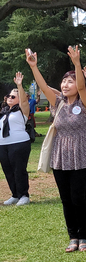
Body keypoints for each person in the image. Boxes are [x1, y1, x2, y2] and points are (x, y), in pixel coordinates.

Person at [26, 46, 86, 252]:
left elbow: (82, 88)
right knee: (65, 199)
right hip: (60, 155)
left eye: (70, 81)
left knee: (78, 197)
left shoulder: (84, 102)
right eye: (64, 81)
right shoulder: (58, 103)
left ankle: (83, 237)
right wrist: (33, 67)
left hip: (80, 153)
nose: (65, 84)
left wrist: (76, 64)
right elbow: (43, 85)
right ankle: (72, 236)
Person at [0, 73, 32, 206]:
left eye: (13, 96)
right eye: (8, 96)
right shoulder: (3, 112)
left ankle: (24, 195)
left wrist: (19, 85)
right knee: (8, 170)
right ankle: (15, 194)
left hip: (19, 144)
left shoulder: (21, 110)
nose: (9, 98)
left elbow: (24, 101)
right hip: (3, 145)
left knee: (19, 170)